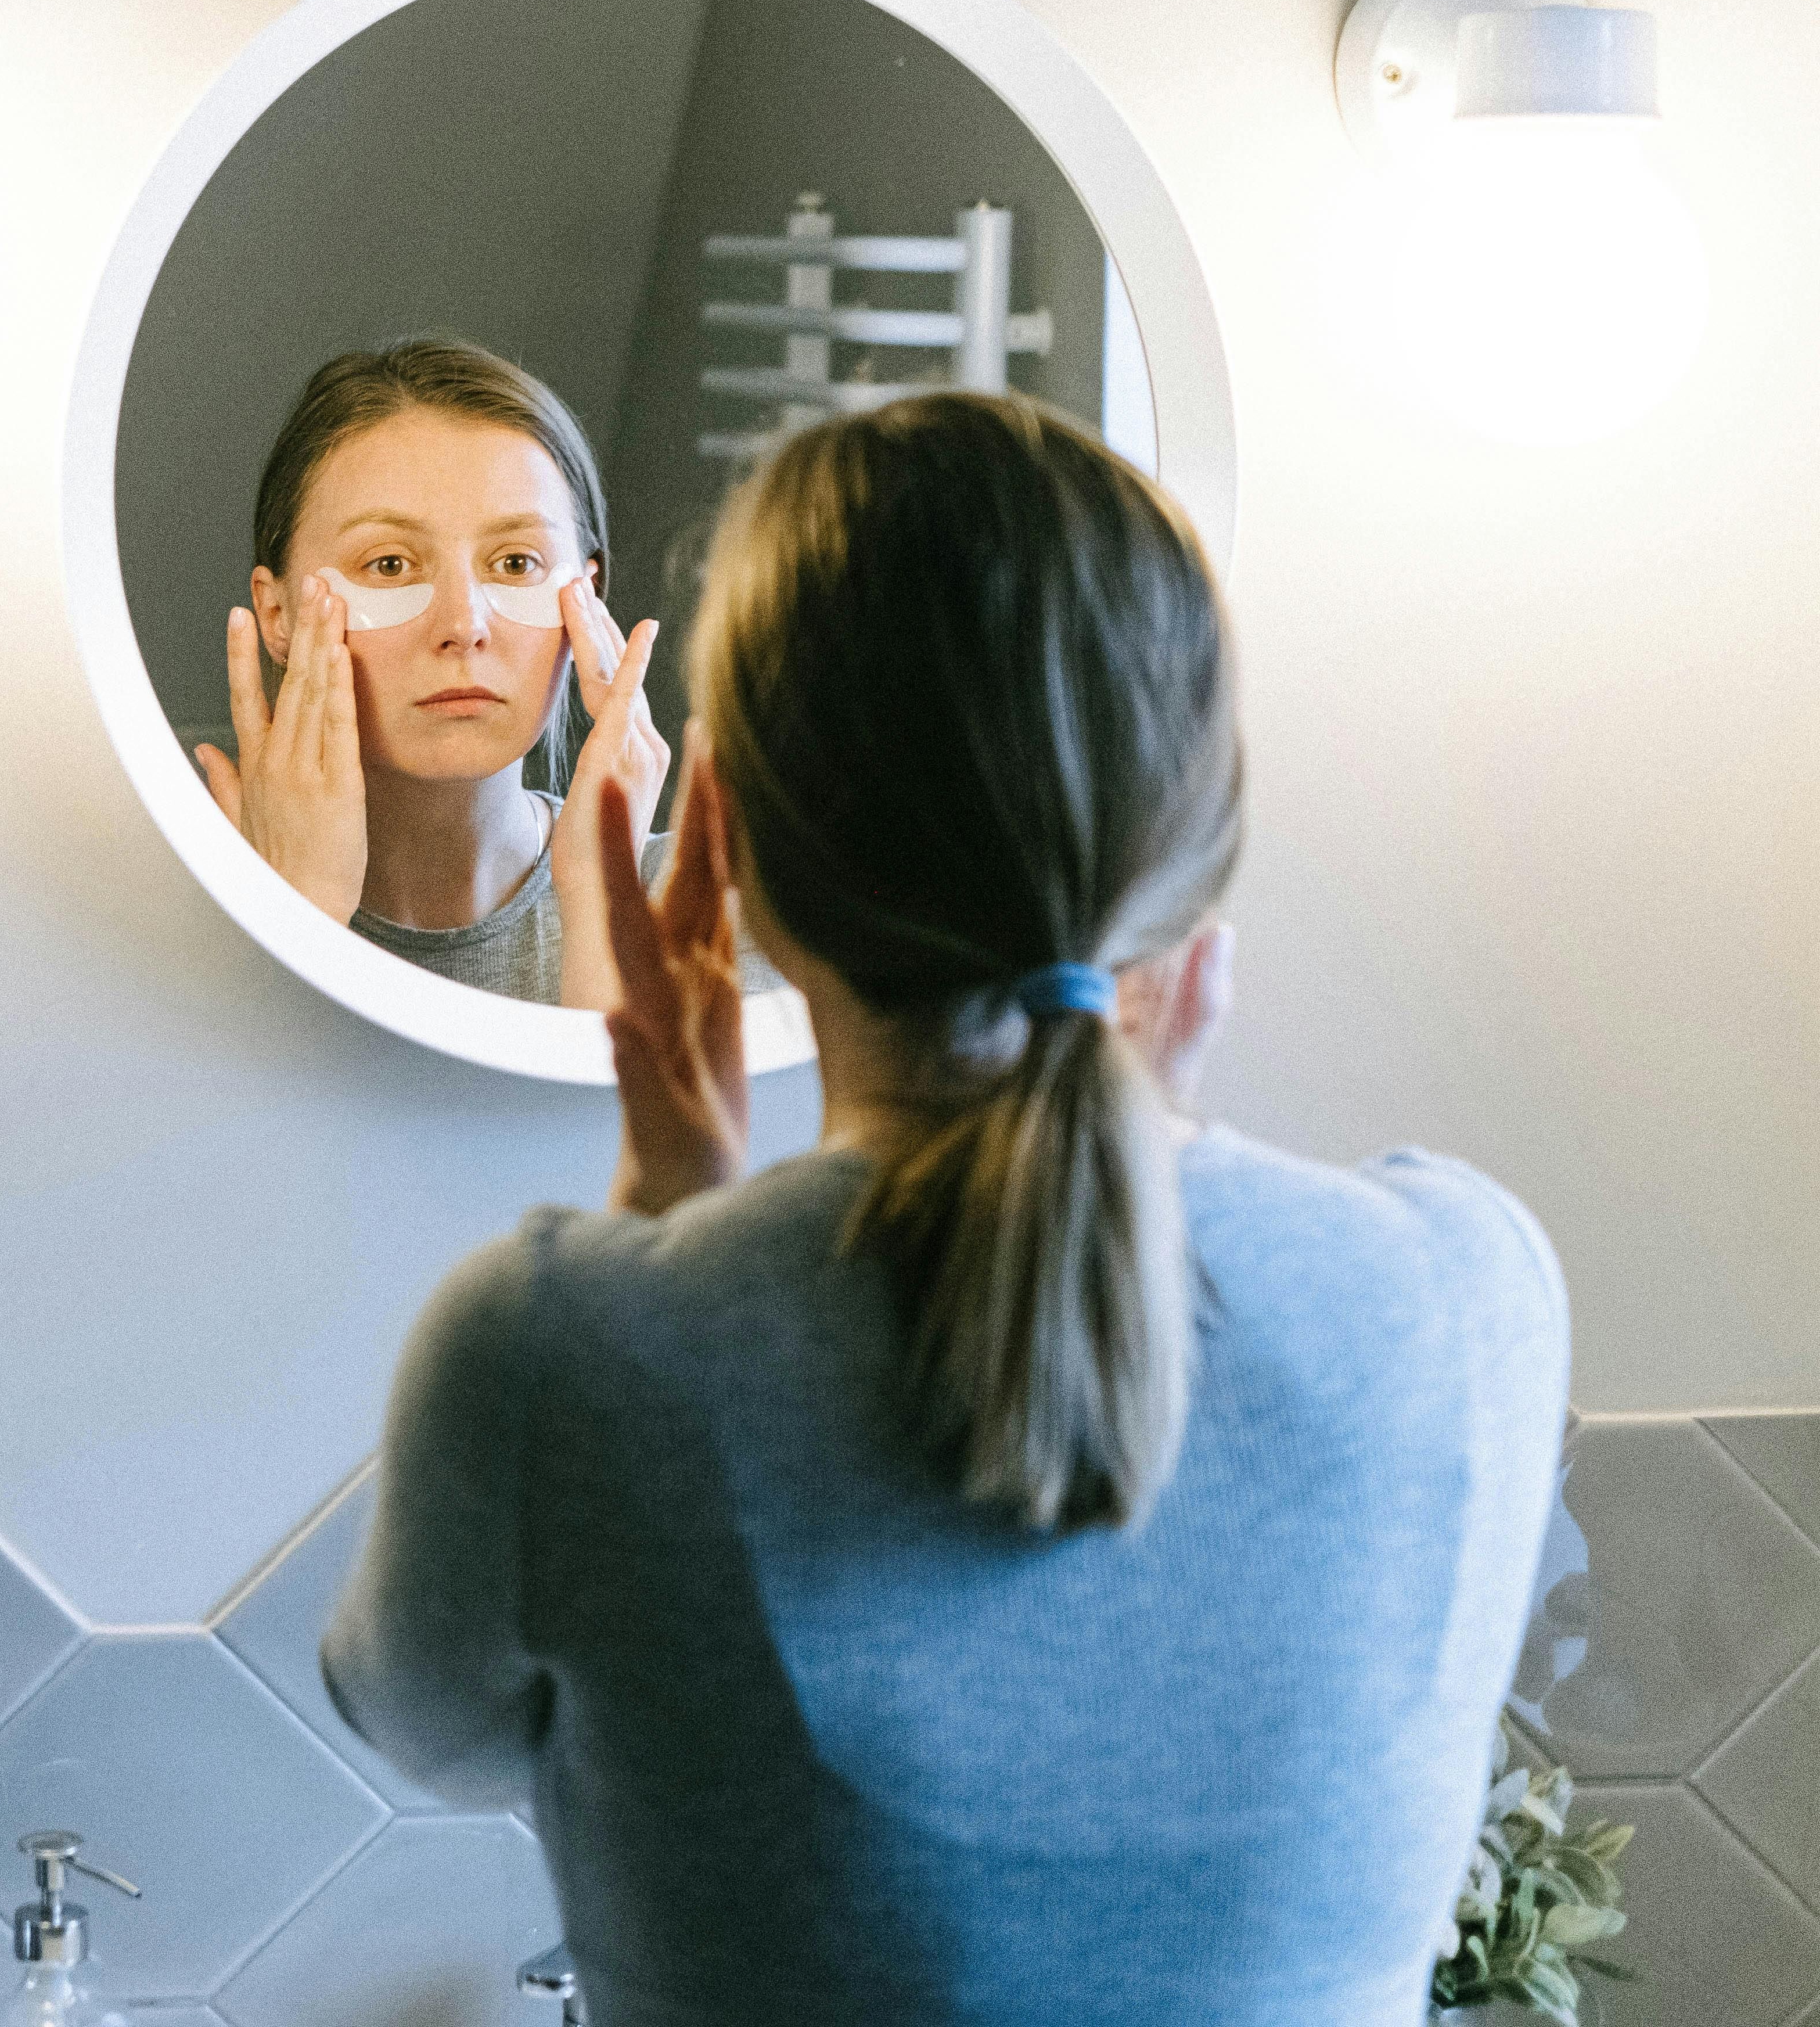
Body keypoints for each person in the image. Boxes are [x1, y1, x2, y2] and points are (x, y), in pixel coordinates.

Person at [319, 393, 1569, 2025]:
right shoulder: (1469, 1293)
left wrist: (660, 1219)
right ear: (1196, 839)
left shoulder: (564, 1358)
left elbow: (429, 1728)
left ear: (734, 848)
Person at [195, 340, 672, 1007]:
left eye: (514, 563)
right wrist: (292, 920)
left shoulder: (716, 904)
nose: (463, 622)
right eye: (390, 564)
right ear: (276, 613)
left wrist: (604, 905)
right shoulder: (167, 908)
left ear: (587, 602)